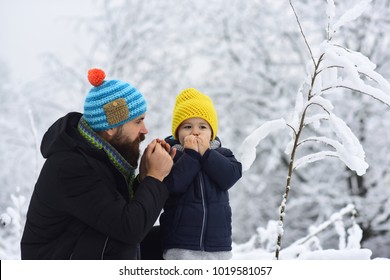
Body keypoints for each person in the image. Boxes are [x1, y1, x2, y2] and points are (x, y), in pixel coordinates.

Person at [20, 68, 175, 260]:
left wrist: (143, 178)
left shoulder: (100, 156)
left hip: (83, 250)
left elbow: (114, 213)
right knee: (126, 242)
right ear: (110, 127)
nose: (145, 130)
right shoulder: (71, 166)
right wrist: (154, 177)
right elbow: (129, 227)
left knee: (173, 237)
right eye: (138, 121)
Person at [159, 88, 242, 260]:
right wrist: (191, 156)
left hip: (218, 244)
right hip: (181, 244)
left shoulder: (222, 154)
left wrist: (207, 154)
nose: (195, 132)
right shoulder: (172, 156)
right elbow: (173, 185)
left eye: (202, 126)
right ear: (177, 132)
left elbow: (230, 176)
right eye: (187, 126)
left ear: (212, 132)